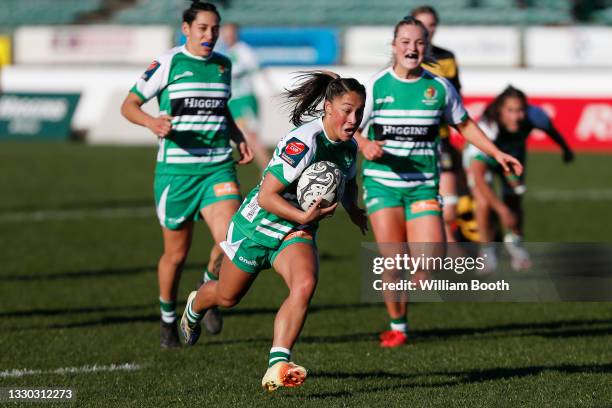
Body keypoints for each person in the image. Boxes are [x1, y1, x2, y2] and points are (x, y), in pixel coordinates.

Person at [180, 71, 368, 391]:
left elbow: (346, 181)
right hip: (257, 226)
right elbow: (267, 197)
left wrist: (353, 210)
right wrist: (303, 213)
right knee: (227, 297)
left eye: (359, 112)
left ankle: (277, 364)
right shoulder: (304, 142)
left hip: (296, 229)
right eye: (347, 110)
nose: (353, 119)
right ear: (327, 107)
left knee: (305, 282)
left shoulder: (348, 147)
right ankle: (195, 305)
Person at [356, 17, 523, 348]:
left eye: (419, 43)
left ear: (427, 47)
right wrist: (364, 143)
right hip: (382, 184)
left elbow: (466, 125)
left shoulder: (439, 88)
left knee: (431, 257)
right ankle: (398, 326)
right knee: (392, 262)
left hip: (422, 185)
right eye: (405, 42)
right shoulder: (376, 87)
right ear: (393, 46)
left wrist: (497, 153)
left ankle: (417, 283)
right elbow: (350, 127)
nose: (412, 48)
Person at [120, 1, 253, 348]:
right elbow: (129, 105)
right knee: (175, 255)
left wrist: (238, 137)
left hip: (216, 167)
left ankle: (208, 286)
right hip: (176, 173)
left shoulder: (224, 65)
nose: (209, 35)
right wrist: (152, 122)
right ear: (186, 29)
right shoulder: (168, 63)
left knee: (232, 240)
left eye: (214, 29)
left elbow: (220, 108)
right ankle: (167, 320)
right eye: (202, 29)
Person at [464, 85, 574, 271]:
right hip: (482, 160)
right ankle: (486, 251)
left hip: (513, 157)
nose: (516, 116)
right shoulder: (488, 126)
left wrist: (566, 150)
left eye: (520, 110)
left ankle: (516, 244)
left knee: (515, 199)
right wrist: (501, 210)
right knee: (483, 202)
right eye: (510, 111)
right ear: (500, 110)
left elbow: (551, 131)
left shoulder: (535, 116)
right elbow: (478, 175)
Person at [412, 5, 466, 243]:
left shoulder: (447, 58)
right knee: (418, 207)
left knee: (450, 207)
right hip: (411, 140)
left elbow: (456, 98)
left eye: (432, 24)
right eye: (422, 23)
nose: (428, 29)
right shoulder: (406, 59)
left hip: (440, 140)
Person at [219, 23, 271, 169]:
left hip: (244, 99)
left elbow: (255, 69)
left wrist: (270, 89)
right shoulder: (223, 51)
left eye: (230, 33)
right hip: (231, 101)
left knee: (253, 137)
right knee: (235, 137)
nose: (227, 36)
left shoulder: (243, 50)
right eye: (225, 33)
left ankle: (269, 171)